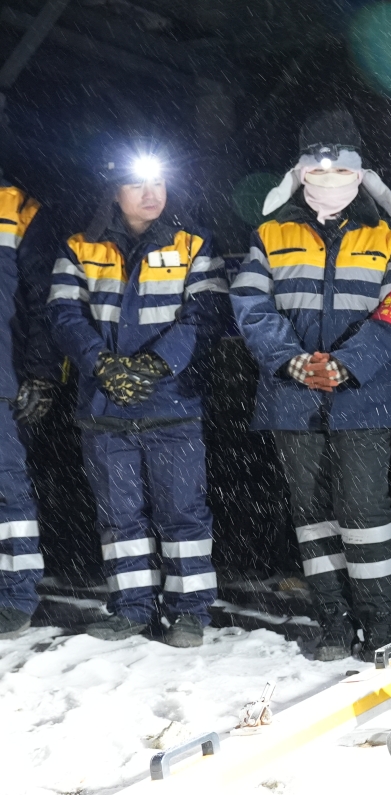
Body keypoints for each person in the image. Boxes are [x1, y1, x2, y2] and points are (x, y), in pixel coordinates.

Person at [231, 109, 391, 661]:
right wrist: (291, 361)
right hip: (293, 398)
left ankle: (381, 625)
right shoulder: (269, 235)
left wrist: (347, 364)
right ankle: (334, 622)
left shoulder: (388, 239)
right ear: (299, 173)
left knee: (365, 512)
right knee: (311, 516)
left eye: (340, 170)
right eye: (318, 168)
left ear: (360, 175)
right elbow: (250, 306)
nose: (329, 178)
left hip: (363, 396)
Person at [47, 139, 227, 647]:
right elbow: (62, 314)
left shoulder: (193, 244)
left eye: (159, 182)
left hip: (173, 402)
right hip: (105, 406)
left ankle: (189, 612)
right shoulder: (79, 247)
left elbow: (205, 315)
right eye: (137, 184)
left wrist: (154, 364)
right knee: (119, 516)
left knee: (182, 513)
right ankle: (131, 608)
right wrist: (101, 363)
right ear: (113, 190)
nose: (151, 193)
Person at [0, 176, 62, 637]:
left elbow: (44, 298)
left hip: (1, 377)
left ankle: (14, 597)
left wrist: (41, 371)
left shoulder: (15, 205)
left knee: (7, 491)